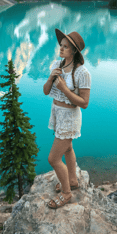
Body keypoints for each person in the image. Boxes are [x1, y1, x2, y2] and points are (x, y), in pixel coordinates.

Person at [43, 28, 91, 209]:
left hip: (70, 117)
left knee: (53, 159)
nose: (61, 49)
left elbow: (84, 103)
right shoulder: (57, 65)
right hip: (57, 113)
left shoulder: (82, 73)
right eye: (60, 45)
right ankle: (72, 180)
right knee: (68, 149)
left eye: (65, 47)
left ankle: (66, 193)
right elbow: (46, 91)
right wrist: (50, 79)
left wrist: (64, 89)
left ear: (74, 51)